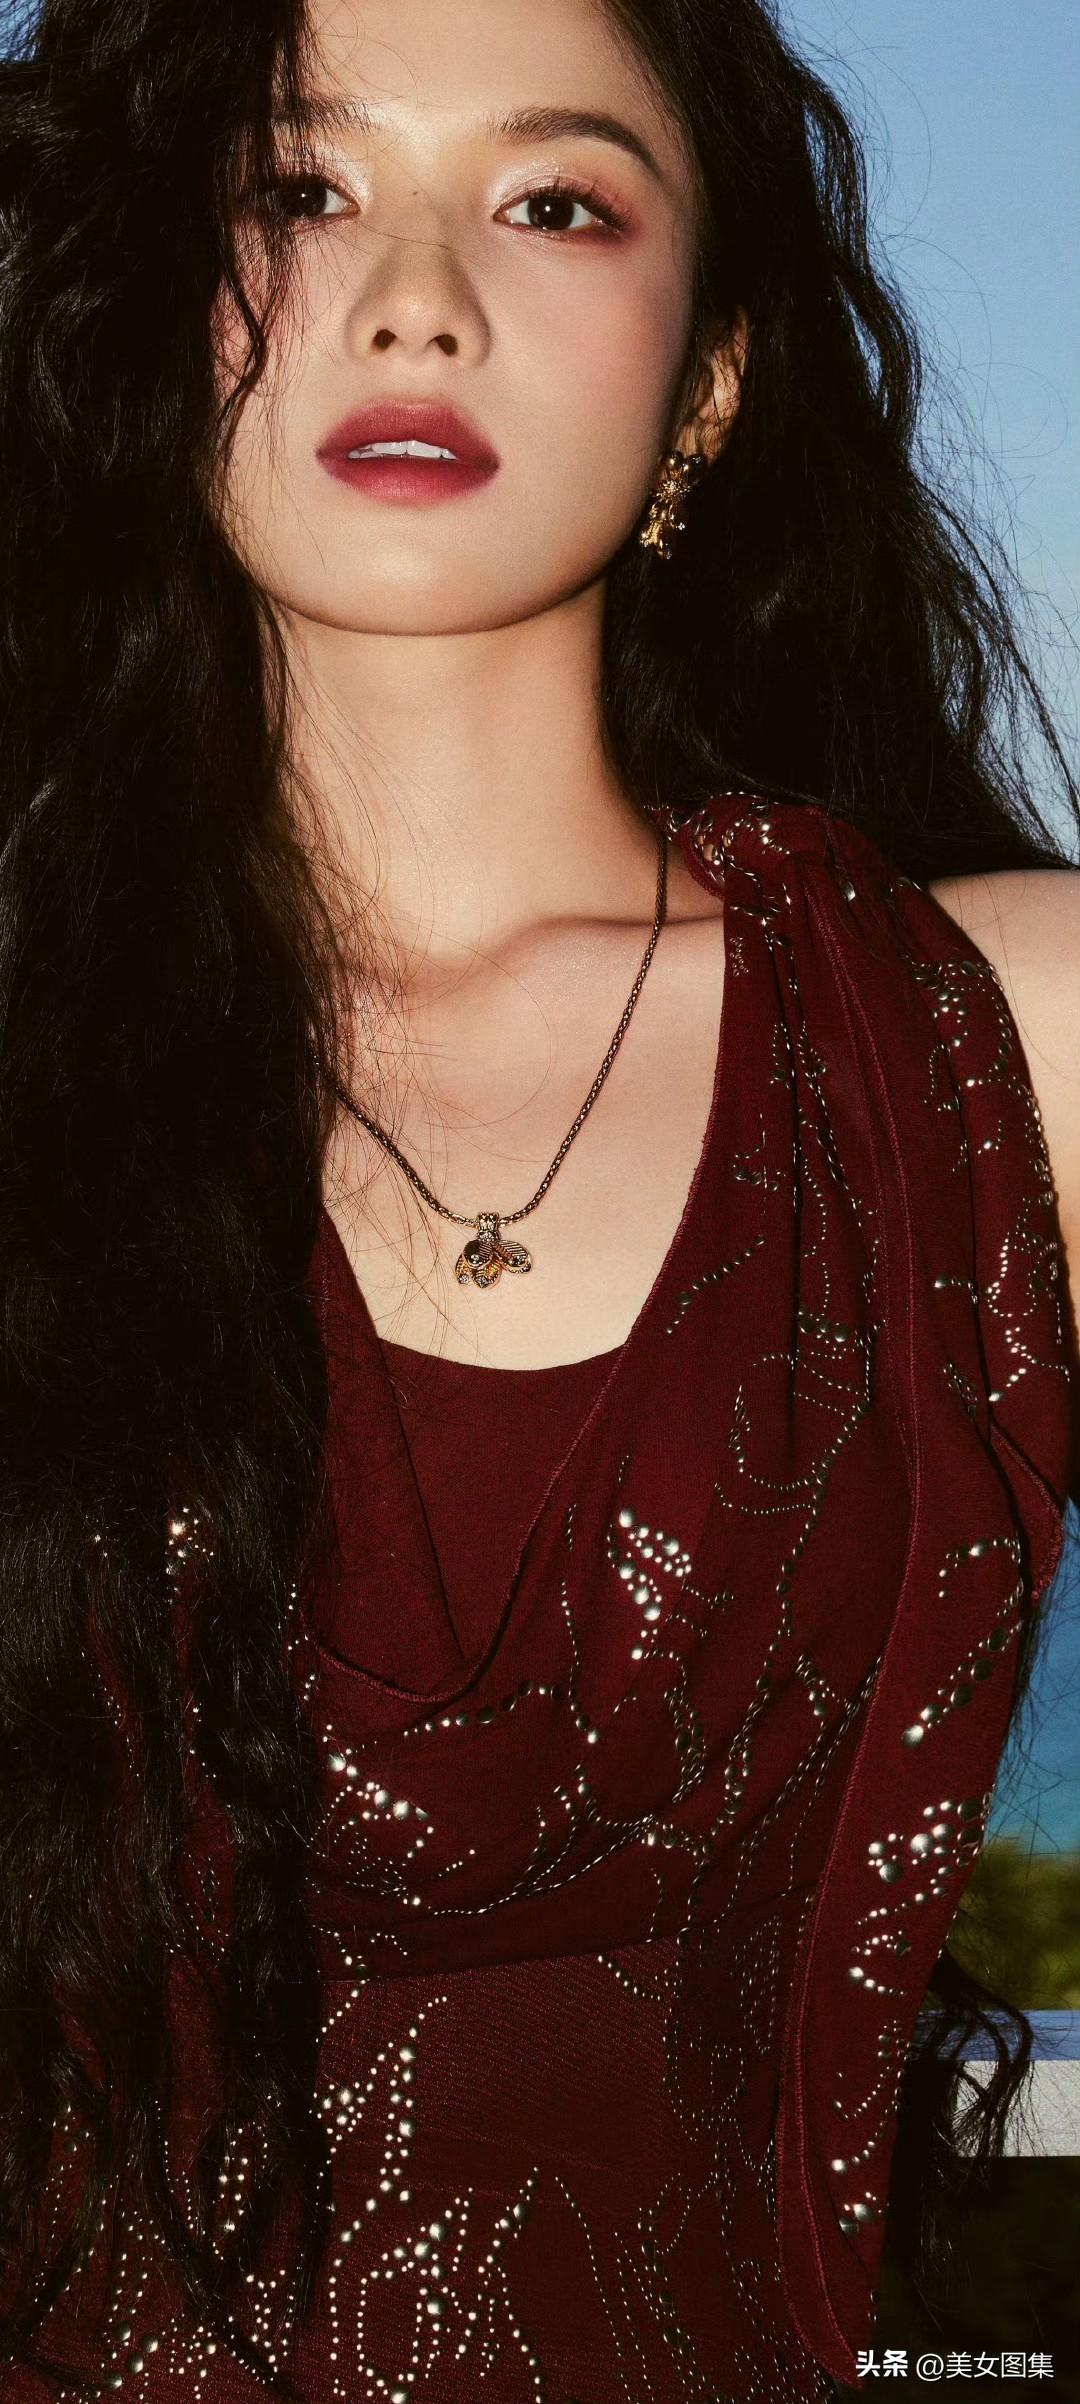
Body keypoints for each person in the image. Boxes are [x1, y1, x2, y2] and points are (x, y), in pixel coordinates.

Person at [0, 0, 1076, 2396]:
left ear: (713, 380)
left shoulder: (992, 1039)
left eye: (555, 201)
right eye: (300, 188)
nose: (414, 296)